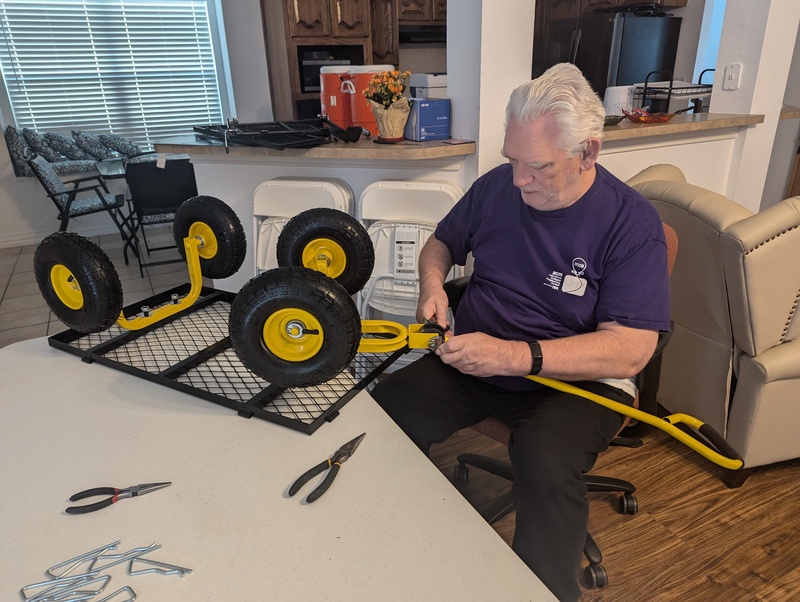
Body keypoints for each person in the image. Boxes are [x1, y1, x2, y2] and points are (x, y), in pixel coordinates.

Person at [371, 62, 671, 602]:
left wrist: (514, 357)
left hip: (577, 382)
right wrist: (432, 286)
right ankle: (394, 549)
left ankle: (547, 591)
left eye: (537, 167)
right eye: (512, 161)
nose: (518, 180)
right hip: (478, 357)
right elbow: (441, 243)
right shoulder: (496, 190)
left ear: (588, 154)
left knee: (544, 457)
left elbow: (630, 350)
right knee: (388, 406)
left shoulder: (632, 225)